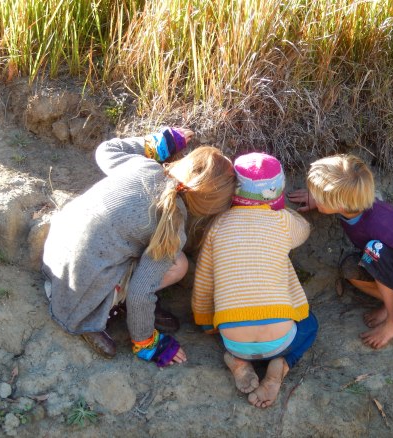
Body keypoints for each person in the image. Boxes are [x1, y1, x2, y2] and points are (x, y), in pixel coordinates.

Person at [42, 127, 236, 367]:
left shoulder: (145, 166)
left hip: (55, 251)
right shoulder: (172, 226)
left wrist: (159, 144)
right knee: (179, 265)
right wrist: (147, 343)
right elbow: (140, 293)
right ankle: (97, 316)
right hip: (76, 294)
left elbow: (107, 149)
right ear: (209, 206)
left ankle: (114, 304)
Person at [192, 152, 317, 408]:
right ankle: (281, 366)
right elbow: (303, 230)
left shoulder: (217, 225)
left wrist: (205, 322)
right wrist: (281, 210)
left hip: (234, 341)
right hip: (281, 340)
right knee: (310, 324)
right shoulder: (281, 221)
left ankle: (238, 361)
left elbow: (204, 283)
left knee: (227, 318)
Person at [288, 154, 393, 349]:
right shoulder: (354, 204)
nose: (312, 194)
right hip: (392, 264)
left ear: (338, 203)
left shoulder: (381, 222)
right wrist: (319, 201)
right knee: (350, 268)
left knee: (373, 249)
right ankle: (389, 303)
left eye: (318, 194)